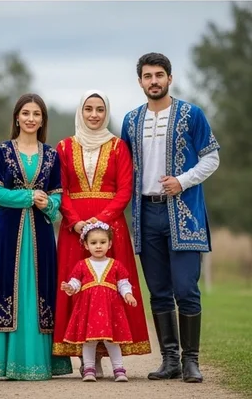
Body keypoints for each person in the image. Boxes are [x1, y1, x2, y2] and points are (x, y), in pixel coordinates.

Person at [121, 52, 220, 383]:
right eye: (147, 76)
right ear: (140, 82)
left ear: (170, 78)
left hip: (184, 213)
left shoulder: (192, 114)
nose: (154, 81)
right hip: (145, 213)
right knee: (159, 290)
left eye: (159, 75)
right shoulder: (131, 121)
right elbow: (123, 169)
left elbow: (212, 158)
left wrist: (183, 180)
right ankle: (170, 360)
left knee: (185, 288)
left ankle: (191, 361)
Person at [0, 93, 72, 380]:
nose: (31, 119)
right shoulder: (1, 151)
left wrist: (48, 204)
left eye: (37, 114)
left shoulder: (52, 155)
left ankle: (42, 361)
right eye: (26, 113)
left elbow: (58, 198)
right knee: (9, 286)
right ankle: (7, 362)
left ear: (43, 120)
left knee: (40, 289)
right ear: (17, 117)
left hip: (41, 233)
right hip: (9, 233)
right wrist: (30, 196)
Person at [53, 91, 150, 372]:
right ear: (80, 112)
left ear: (106, 112)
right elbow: (63, 189)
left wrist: (101, 222)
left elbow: (124, 190)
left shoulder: (118, 146)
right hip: (75, 229)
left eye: (99, 109)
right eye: (88, 109)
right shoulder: (64, 147)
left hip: (111, 229)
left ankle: (108, 355)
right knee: (80, 288)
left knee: (109, 288)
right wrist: (75, 220)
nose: (94, 115)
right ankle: (87, 359)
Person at [60, 221, 138, 382]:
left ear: (109, 244)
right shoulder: (82, 265)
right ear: (86, 245)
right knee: (89, 341)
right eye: (93, 243)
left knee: (112, 340)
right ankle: (89, 369)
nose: (98, 246)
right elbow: (76, 282)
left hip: (110, 309)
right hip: (88, 309)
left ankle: (119, 369)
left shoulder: (115, 265)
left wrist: (128, 294)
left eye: (102, 242)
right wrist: (70, 287)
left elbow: (123, 283)